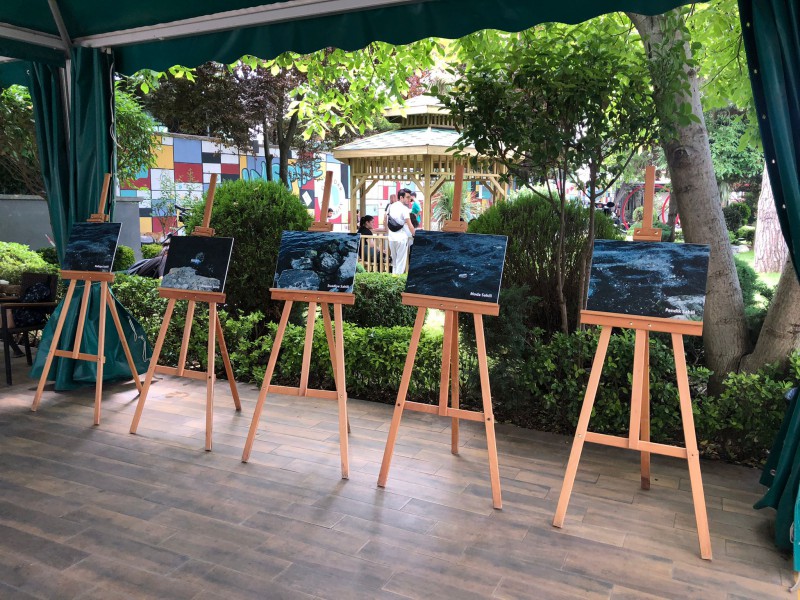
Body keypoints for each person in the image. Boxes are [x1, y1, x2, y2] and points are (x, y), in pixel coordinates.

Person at [386, 190, 414, 274]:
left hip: (391, 237)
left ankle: (393, 278)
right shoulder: (404, 209)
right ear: (401, 197)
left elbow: (386, 220)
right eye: (407, 197)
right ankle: (398, 280)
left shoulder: (391, 206)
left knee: (394, 262)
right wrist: (414, 235)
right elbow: (410, 224)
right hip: (401, 238)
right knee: (400, 263)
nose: (409, 199)